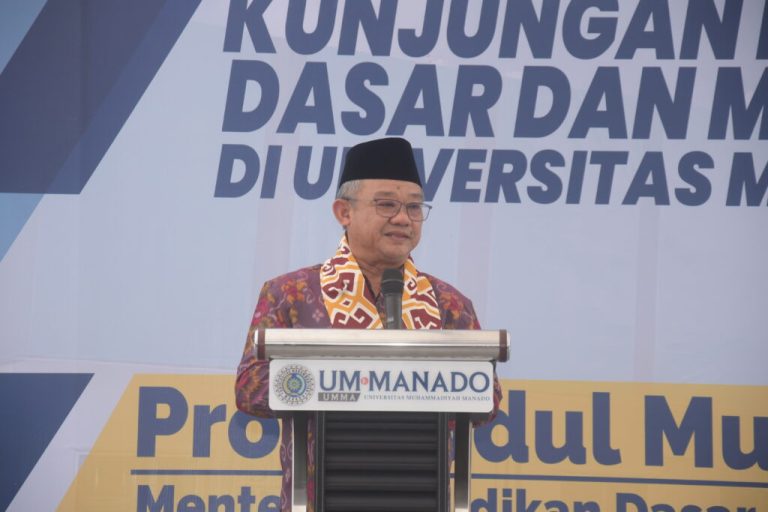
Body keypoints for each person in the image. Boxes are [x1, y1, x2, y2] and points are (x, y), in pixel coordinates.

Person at [235, 137, 502, 511]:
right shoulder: (291, 293)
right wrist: (352, 382)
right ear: (344, 212)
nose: (403, 219)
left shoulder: (449, 304)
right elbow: (249, 388)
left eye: (414, 207)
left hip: (420, 494)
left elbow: (487, 399)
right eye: (387, 204)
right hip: (321, 499)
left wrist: (403, 389)